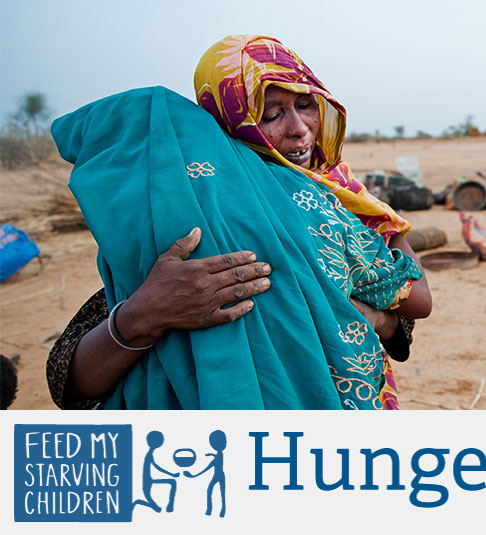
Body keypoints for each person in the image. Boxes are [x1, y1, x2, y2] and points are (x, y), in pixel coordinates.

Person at [47, 35, 430, 410]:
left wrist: (378, 320)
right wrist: (144, 313)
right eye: (271, 113)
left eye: (306, 103)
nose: (299, 128)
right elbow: (68, 379)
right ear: (230, 122)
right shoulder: (201, 212)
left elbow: (401, 320)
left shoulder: (338, 195)